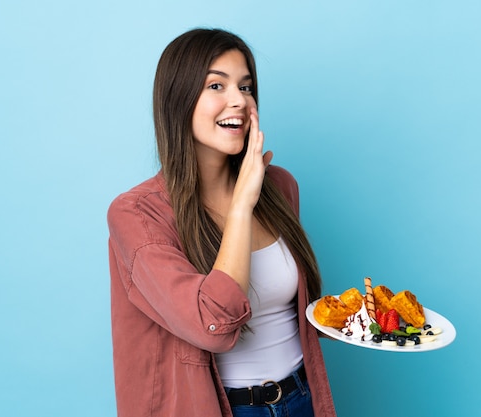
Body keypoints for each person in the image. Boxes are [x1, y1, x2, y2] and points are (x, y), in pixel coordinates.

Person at [107, 28, 337, 417]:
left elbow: (301, 310)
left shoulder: (280, 186)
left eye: (246, 88)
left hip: (302, 398)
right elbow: (212, 324)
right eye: (217, 85)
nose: (238, 101)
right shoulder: (137, 215)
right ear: (178, 100)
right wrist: (241, 205)